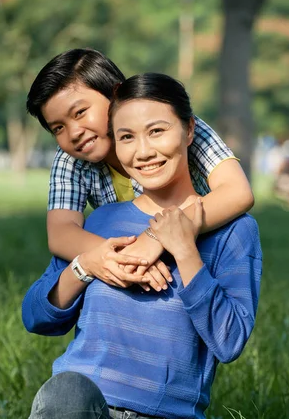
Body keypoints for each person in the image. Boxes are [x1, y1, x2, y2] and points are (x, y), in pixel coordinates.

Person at [22, 72, 262, 419]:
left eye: (158, 132)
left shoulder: (236, 231)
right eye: (128, 137)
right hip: (89, 411)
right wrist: (87, 264)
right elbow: (36, 314)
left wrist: (185, 249)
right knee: (65, 393)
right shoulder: (104, 220)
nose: (143, 150)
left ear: (190, 131)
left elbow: (230, 340)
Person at [26, 48, 254, 291]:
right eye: (58, 128)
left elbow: (237, 192)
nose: (74, 132)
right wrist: (129, 258)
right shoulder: (71, 160)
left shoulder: (172, 126)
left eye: (80, 112)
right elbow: (61, 232)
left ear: (115, 93)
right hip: (134, 263)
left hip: (201, 248)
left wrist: (157, 238)